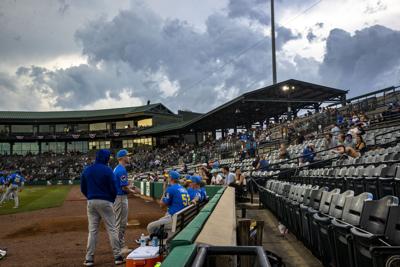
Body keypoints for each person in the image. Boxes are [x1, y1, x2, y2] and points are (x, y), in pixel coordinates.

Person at [80, 149, 124, 266]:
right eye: (108, 157)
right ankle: (117, 257)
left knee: (93, 231)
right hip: (105, 202)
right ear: (105, 158)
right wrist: (110, 198)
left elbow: (83, 188)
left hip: (91, 202)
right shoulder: (108, 170)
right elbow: (114, 188)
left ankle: (89, 259)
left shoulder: (87, 170)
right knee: (112, 229)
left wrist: (90, 196)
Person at [146, 171, 190, 236]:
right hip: (182, 217)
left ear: (171, 179)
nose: (167, 179)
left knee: (150, 226)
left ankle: (154, 243)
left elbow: (162, 205)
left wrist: (164, 191)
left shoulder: (171, 189)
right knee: (160, 220)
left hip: (175, 219)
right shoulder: (183, 188)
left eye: (168, 177)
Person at [113, 149, 138, 254]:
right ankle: (119, 248)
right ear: (122, 158)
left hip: (117, 197)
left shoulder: (117, 169)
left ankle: (119, 246)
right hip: (120, 198)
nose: (129, 157)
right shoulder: (121, 170)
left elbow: (123, 185)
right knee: (120, 224)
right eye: (127, 156)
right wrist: (133, 192)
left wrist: (131, 187)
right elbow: (124, 188)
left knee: (119, 223)